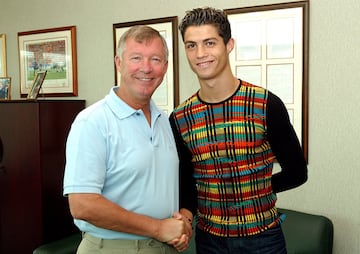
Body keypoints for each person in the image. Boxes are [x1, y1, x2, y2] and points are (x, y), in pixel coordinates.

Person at [169, 7, 308, 254]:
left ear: (229, 44)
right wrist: (186, 217)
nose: (200, 54)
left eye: (209, 43)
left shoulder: (265, 104)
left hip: (263, 238)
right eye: (191, 45)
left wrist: (253, 188)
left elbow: (297, 172)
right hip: (209, 240)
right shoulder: (180, 118)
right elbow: (187, 182)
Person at [63, 25, 192, 254]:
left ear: (165, 67)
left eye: (155, 59)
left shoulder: (164, 120)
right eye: (136, 58)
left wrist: (181, 225)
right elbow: (82, 205)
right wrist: (158, 228)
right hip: (113, 248)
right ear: (118, 63)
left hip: (165, 247)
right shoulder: (92, 122)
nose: (146, 68)